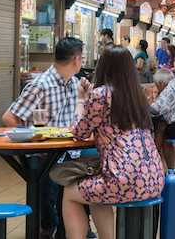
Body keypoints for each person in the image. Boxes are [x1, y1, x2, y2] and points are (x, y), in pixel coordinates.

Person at [62, 44, 164, 239]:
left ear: (103, 67)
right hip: (155, 179)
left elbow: (79, 132)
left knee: (70, 194)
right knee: (94, 193)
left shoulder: (100, 94)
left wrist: (81, 99)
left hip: (125, 180)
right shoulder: (138, 97)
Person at [2, 37, 90, 239]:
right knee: (44, 180)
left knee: (94, 164)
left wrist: (85, 97)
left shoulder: (74, 84)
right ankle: (49, 225)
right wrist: (29, 138)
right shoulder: (40, 85)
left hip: (70, 150)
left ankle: (79, 225)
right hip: (43, 152)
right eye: (82, 58)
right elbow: (9, 117)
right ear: (76, 60)